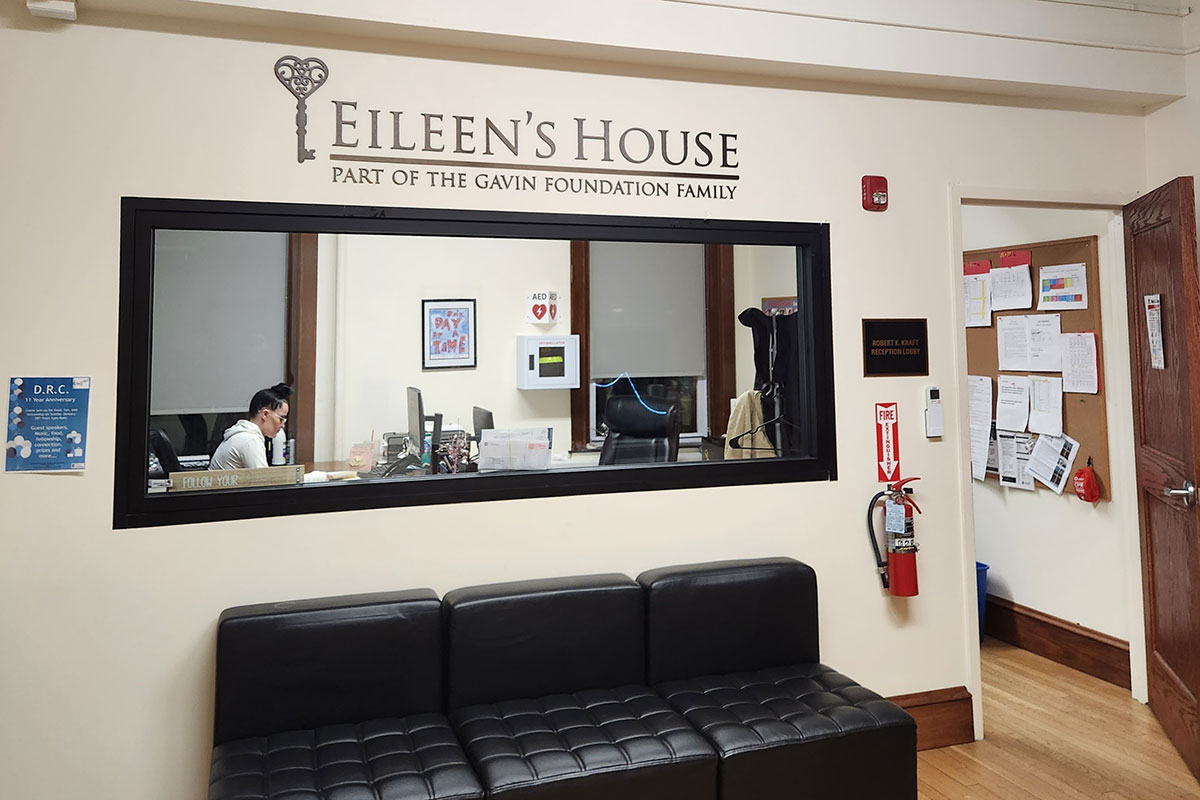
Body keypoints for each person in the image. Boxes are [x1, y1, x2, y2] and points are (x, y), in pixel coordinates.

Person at [209, 383, 291, 470]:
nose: (283, 425)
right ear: (265, 414)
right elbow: (263, 477)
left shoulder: (242, 434)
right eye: (281, 419)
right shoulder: (251, 440)